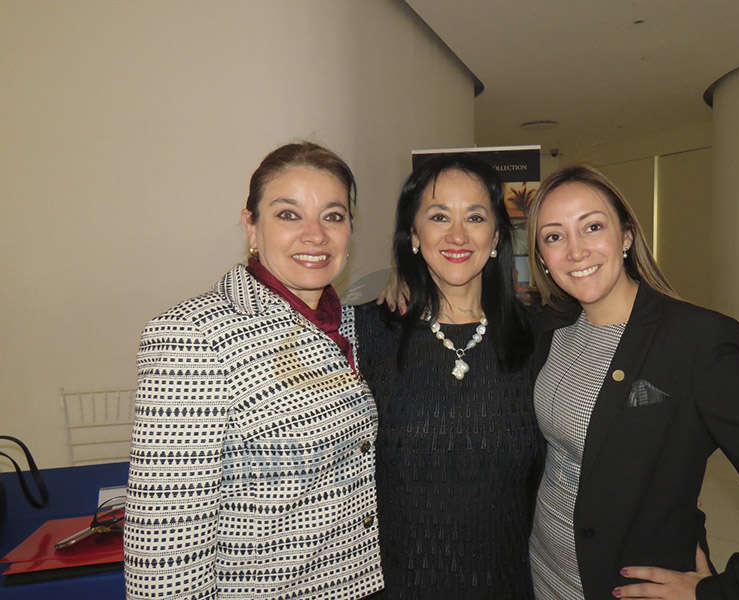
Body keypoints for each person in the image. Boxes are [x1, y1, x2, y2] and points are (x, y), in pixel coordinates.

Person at [525, 165, 739, 600]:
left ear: (626, 236)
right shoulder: (552, 331)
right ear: (542, 258)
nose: (575, 251)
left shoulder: (694, 343)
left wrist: (723, 593)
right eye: (554, 236)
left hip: (620, 585)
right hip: (541, 568)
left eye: (592, 226)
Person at [124, 143, 383, 600]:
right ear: (251, 226)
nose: (315, 235)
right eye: (288, 214)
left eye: (333, 216)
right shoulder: (194, 334)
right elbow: (164, 545)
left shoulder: (347, 324)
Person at [355, 154, 538, 599]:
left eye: (475, 217)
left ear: (495, 235)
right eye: (439, 216)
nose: (457, 235)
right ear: (414, 234)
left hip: (508, 586)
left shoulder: (541, 337)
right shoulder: (367, 332)